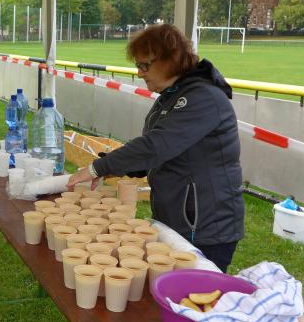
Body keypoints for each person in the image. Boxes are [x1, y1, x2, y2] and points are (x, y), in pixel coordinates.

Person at [66, 24, 244, 272]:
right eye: (137, 65)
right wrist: (117, 167)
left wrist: (98, 167)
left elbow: (156, 146)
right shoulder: (170, 97)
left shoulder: (204, 97)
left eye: (145, 65)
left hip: (204, 226)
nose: (139, 73)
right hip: (177, 218)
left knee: (193, 292)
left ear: (172, 59)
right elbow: (157, 151)